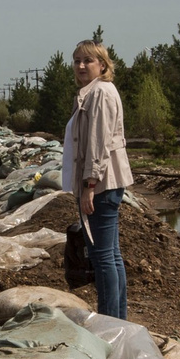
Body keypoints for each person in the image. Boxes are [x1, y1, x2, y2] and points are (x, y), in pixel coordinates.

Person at [61, 39, 133, 319]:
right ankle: (118, 320)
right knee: (110, 256)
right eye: (77, 60)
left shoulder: (101, 93)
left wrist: (90, 185)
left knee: (103, 258)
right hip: (106, 182)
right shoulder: (91, 93)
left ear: (102, 65)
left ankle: (110, 323)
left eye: (88, 60)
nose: (81, 65)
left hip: (101, 184)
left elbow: (98, 143)